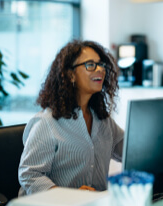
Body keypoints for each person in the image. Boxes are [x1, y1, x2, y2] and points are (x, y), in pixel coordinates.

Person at [18, 40, 123, 196]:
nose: (100, 69)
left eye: (101, 65)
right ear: (70, 74)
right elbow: (30, 175)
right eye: (90, 65)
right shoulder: (47, 123)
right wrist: (67, 196)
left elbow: (131, 151)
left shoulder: (104, 120)